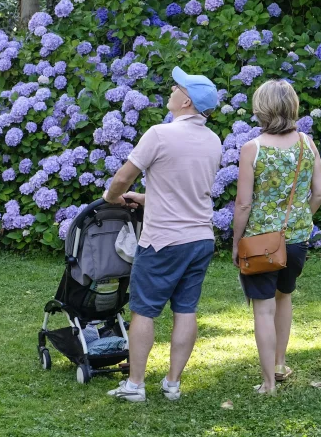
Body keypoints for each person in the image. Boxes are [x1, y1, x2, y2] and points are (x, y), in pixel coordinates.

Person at [104, 67, 222, 402]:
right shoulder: (213, 140)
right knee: (186, 310)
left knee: (143, 310)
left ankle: (135, 384)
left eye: (178, 86)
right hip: (200, 237)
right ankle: (172, 384)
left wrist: (113, 199)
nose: (171, 88)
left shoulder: (159, 134)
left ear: (185, 101)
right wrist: (146, 198)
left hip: (163, 240)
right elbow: (186, 188)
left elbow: (122, 179)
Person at [232, 80, 321, 395]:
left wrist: (235, 242)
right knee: (284, 298)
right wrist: (302, 218)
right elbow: (320, 193)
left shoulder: (252, 148)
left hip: (260, 243)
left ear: (262, 109)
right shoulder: (306, 144)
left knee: (263, 308)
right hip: (296, 239)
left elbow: (244, 203)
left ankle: (268, 383)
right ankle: (280, 365)